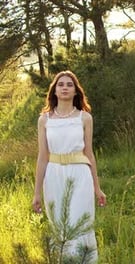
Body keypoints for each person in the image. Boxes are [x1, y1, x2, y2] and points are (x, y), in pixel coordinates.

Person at [32, 70, 106, 262]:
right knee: (60, 228)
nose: (65, 87)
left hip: (80, 175)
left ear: (76, 92)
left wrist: (97, 188)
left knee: (79, 223)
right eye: (60, 84)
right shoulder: (44, 120)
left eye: (69, 85)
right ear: (54, 91)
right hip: (54, 175)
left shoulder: (84, 118)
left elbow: (89, 154)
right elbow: (42, 157)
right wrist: (37, 193)